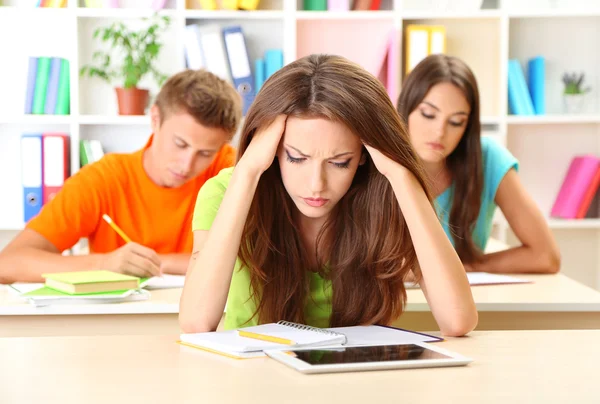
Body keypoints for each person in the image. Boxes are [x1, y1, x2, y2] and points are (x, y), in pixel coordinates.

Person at [179, 54, 477, 337]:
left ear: (364, 155)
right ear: (271, 150)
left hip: (355, 381)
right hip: (254, 378)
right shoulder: (224, 192)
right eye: (297, 158)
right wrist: (248, 172)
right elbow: (195, 322)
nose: (316, 185)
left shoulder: (388, 195)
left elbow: (457, 319)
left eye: (339, 162)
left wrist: (401, 175)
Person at [0, 69, 242, 283]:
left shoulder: (230, 171)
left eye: (205, 153)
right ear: (155, 119)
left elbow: (255, 263)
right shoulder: (104, 179)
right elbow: (9, 263)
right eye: (180, 144)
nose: (187, 164)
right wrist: (104, 264)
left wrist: (160, 262)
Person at [397, 54, 560, 274]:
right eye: (428, 114)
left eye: (456, 121)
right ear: (406, 109)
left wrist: (463, 268)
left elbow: (546, 256)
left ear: (468, 126)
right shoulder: (377, 159)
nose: (440, 132)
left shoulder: (488, 159)